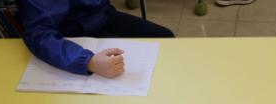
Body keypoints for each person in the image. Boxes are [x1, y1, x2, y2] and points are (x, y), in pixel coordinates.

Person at [18, 0, 174, 77]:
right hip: (71, 35)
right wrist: (88, 62)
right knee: (131, 71)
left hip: (101, 15)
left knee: (166, 41)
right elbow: (39, 35)